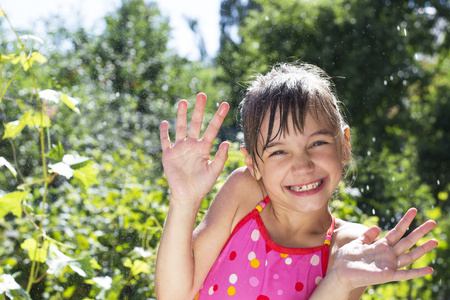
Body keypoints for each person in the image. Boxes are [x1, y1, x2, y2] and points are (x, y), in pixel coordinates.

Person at [155, 63, 438, 300]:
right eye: (278, 151)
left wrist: (338, 281)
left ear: (345, 144)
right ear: (252, 162)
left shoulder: (348, 247)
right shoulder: (245, 194)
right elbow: (174, 294)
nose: (302, 165)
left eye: (317, 143)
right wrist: (184, 200)